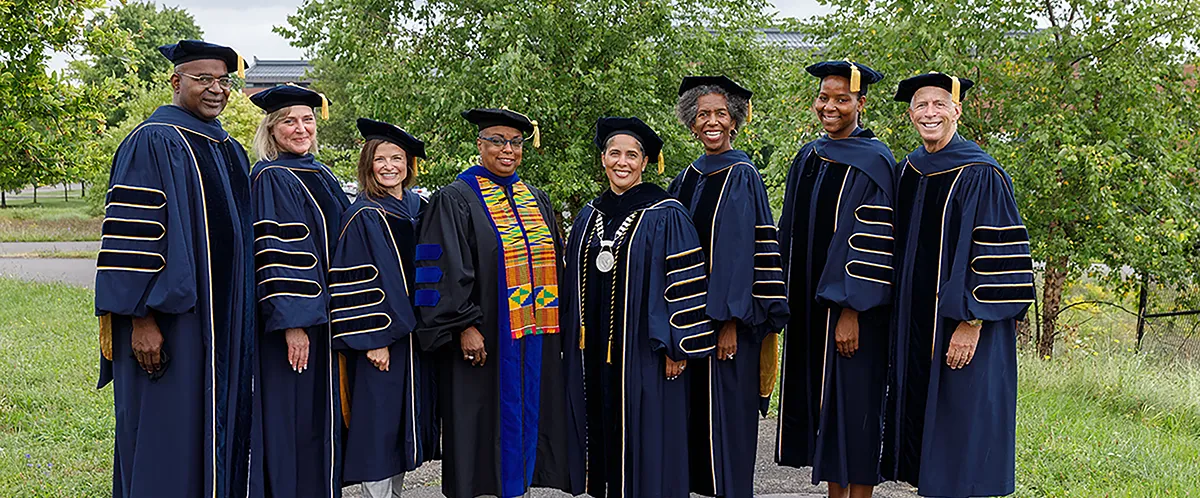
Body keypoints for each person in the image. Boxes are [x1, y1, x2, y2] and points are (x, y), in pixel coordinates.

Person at [95, 39, 254, 498]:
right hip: (171, 326)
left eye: (223, 81)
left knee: (215, 433)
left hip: (223, 328)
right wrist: (141, 320)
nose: (215, 89)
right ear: (176, 81)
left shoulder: (229, 149)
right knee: (168, 436)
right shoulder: (154, 140)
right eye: (203, 79)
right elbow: (131, 239)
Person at [882, 72, 1034, 498]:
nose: (930, 113)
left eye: (939, 104)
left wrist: (972, 321)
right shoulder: (907, 171)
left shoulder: (982, 173)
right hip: (914, 328)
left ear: (957, 111)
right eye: (921, 106)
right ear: (911, 114)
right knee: (927, 438)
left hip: (964, 327)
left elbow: (999, 256)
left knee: (963, 430)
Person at [413, 108, 571, 498]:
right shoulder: (455, 198)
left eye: (515, 142)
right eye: (497, 141)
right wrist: (464, 325)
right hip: (485, 339)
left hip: (532, 337)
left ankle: (518, 488)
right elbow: (443, 267)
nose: (508, 150)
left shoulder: (535, 197)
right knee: (481, 431)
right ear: (480, 144)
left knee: (529, 421)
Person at [561, 117, 715, 498]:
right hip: (593, 353)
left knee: (647, 448)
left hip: (646, 352)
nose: (622, 162)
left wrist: (679, 346)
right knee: (601, 444)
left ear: (645, 163)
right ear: (603, 159)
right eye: (615, 154)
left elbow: (686, 285)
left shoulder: (666, 213)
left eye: (632, 155)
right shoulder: (588, 216)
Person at [773, 60, 895, 498]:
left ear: (861, 104)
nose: (830, 106)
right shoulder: (809, 156)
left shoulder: (875, 163)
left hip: (853, 315)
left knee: (855, 414)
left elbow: (874, 246)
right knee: (828, 415)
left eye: (842, 99)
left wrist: (851, 311)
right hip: (810, 311)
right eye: (824, 97)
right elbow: (788, 230)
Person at [669, 76, 790, 498]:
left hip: (729, 329)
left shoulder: (743, 174)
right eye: (703, 114)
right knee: (693, 432)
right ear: (691, 122)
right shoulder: (686, 178)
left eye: (721, 113)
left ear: (736, 119)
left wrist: (731, 323)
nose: (712, 121)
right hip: (691, 326)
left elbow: (744, 257)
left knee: (728, 435)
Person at [247, 83, 349, 498]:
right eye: (289, 120)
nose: (301, 128)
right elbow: (279, 253)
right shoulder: (271, 177)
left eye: (307, 119)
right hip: (298, 326)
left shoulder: (319, 172)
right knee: (294, 416)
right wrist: (295, 323)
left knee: (319, 417)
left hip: (325, 321)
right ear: (272, 130)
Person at [330, 118, 436, 498]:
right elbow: (355, 281)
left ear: (409, 164)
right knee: (377, 426)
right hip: (381, 342)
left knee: (399, 429)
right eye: (381, 159)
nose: (390, 166)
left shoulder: (416, 206)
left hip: (413, 341)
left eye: (398, 158)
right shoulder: (362, 214)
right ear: (368, 165)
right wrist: (373, 338)